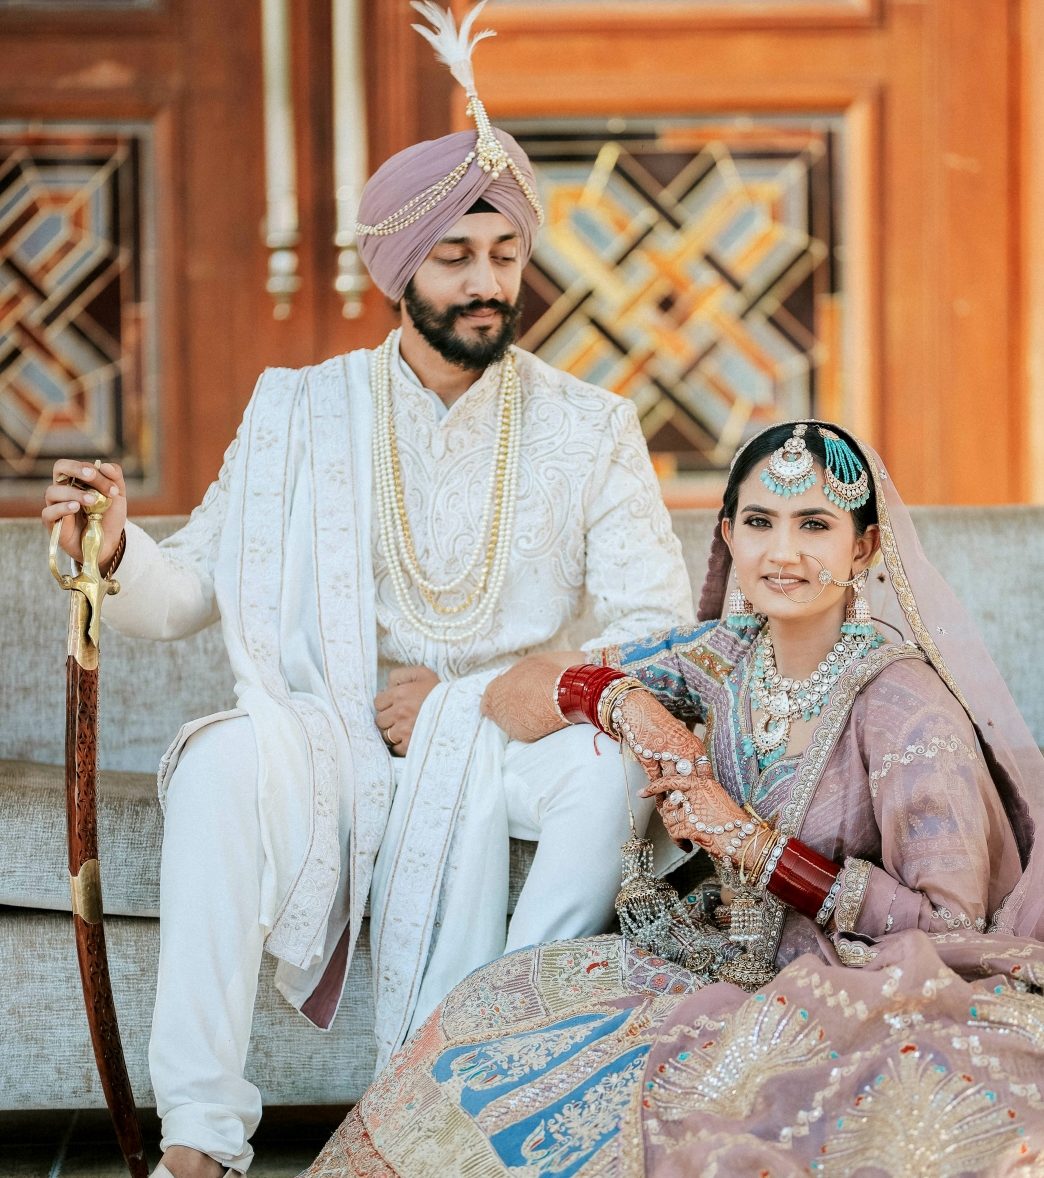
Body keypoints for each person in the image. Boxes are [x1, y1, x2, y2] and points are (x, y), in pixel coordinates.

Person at [38, 9, 692, 1176]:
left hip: (502, 740)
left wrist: (478, 695)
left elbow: (657, 628)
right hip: (336, 738)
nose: (489, 281)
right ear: (398, 268)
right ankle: (198, 1133)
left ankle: (483, 1066)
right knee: (227, 756)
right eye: (456, 255)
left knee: (617, 760)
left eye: (504, 254)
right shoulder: (299, 407)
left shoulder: (594, 426)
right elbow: (186, 594)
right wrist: (119, 548)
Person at [302, 419, 1044, 1177]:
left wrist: (754, 847)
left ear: (862, 548)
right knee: (500, 1002)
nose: (782, 552)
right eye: (759, 522)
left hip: (856, 980)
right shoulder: (723, 657)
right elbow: (517, 687)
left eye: (814, 525)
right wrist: (629, 707)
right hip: (718, 959)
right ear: (727, 534)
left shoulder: (902, 706)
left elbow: (954, 923)